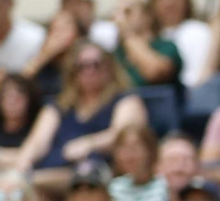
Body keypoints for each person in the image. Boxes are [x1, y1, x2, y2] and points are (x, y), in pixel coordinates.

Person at [15, 39, 147, 192]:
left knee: (80, 175)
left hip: (96, 172)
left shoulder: (125, 100)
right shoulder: (59, 106)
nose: (89, 71)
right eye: (82, 66)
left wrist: (89, 144)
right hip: (54, 164)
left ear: (109, 67)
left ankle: (28, 181)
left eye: (96, 65)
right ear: (73, 71)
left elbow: (123, 136)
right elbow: (37, 143)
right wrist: (22, 164)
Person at [148, 0, 212, 90]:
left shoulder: (199, 32)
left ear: (186, 0)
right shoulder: (148, 37)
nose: (169, 3)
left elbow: (198, 80)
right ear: (153, 3)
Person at [109, 0, 180, 87]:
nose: (121, 19)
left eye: (128, 12)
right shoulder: (116, 54)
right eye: (117, 13)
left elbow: (155, 72)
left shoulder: (166, 46)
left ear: (147, 16)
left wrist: (127, 33)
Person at [106, 121, 165, 201]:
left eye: (135, 148)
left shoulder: (165, 187)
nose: (129, 156)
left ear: (150, 150)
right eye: (123, 149)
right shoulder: (114, 189)